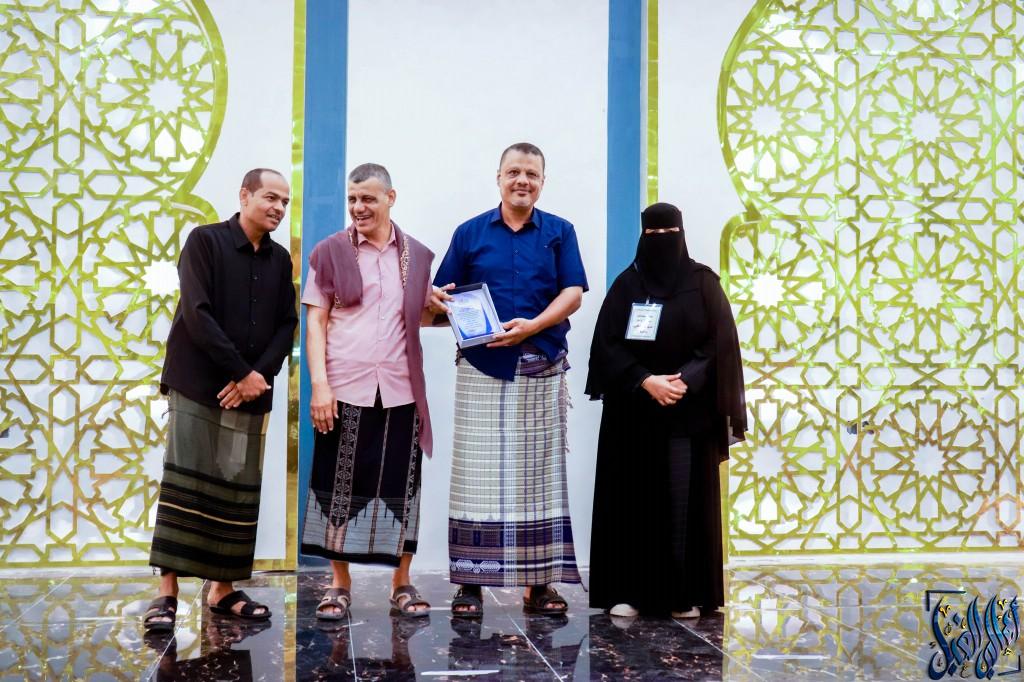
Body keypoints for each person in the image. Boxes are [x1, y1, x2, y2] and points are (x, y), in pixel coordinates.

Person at [430, 142, 588, 616]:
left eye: (532, 174)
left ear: (542, 182)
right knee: (474, 478)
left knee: (539, 478)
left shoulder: (560, 231)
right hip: (483, 366)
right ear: (498, 177)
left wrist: (533, 326)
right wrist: (437, 298)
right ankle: (470, 583)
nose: (523, 180)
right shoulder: (470, 232)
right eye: (514, 172)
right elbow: (444, 294)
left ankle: (539, 586)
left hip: (541, 362)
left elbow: (573, 292)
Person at [144, 168, 298, 631]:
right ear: (244, 195)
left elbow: (286, 323)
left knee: (237, 489)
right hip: (197, 383)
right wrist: (240, 372)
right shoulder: (204, 241)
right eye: (270, 197)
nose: (278, 208)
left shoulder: (279, 259)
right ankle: (167, 592)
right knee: (185, 482)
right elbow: (197, 312)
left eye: (284, 202)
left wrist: (258, 375)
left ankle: (223, 589)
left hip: (251, 390)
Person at [585, 202, 747, 618]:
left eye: (668, 234)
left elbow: (720, 342)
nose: (661, 242)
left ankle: (683, 593)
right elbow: (606, 344)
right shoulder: (627, 285)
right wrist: (645, 380)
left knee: (681, 501)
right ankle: (629, 593)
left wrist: (684, 380)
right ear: (642, 237)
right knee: (631, 502)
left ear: (682, 234)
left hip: (687, 417)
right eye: (653, 235)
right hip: (633, 416)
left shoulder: (704, 283)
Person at [300, 163, 435, 620]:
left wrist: (448, 308)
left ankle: (401, 582)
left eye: (368, 199)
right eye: (353, 199)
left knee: (402, 487)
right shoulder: (329, 252)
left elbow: (418, 316)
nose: (358, 207)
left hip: (401, 388)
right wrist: (320, 386)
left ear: (390, 198)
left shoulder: (417, 256)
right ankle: (339, 584)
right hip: (343, 389)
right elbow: (316, 321)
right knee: (335, 488)